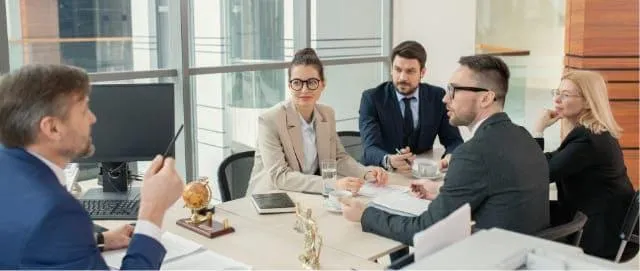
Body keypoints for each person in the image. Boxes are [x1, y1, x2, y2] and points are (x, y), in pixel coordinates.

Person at [341, 55, 550, 245]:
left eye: (454, 90)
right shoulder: (523, 136)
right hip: (520, 254)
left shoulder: (472, 154)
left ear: (485, 98)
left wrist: (366, 215)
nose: (445, 99)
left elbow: (427, 231)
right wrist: (442, 192)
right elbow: (497, 195)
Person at [0, 64, 184, 269]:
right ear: (52, 128)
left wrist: (99, 240)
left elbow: (29, 245)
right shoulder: (56, 211)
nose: (93, 118)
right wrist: (152, 210)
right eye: (84, 110)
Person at [247, 48, 388, 195]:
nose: (304, 89)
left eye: (312, 82)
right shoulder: (270, 120)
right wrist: (332, 184)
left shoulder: (326, 114)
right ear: (289, 86)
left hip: (307, 197)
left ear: (322, 84)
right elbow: (280, 176)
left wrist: (366, 172)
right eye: (297, 83)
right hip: (271, 199)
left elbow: (338, 158)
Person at [533, 70, 635, 260]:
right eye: (557, 92)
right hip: (595, 220)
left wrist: (538, 131)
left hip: (600, 234)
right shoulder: (589, 133)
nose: (557, 99)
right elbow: (552, 161)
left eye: (565, 95)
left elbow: (542, 174)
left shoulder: (588, 139)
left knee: (522, 220)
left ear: (588, 101)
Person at [359, 41, 463, 175]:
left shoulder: (437, 97)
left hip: (420, 173)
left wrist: (450, 158)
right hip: (381, 174)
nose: (403, 77)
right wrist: (389, 160)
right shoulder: (372, 98)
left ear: (422, 72)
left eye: (410, 71)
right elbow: (370, 148)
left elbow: (454, 141)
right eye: (398, 69)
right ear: (391, 69)